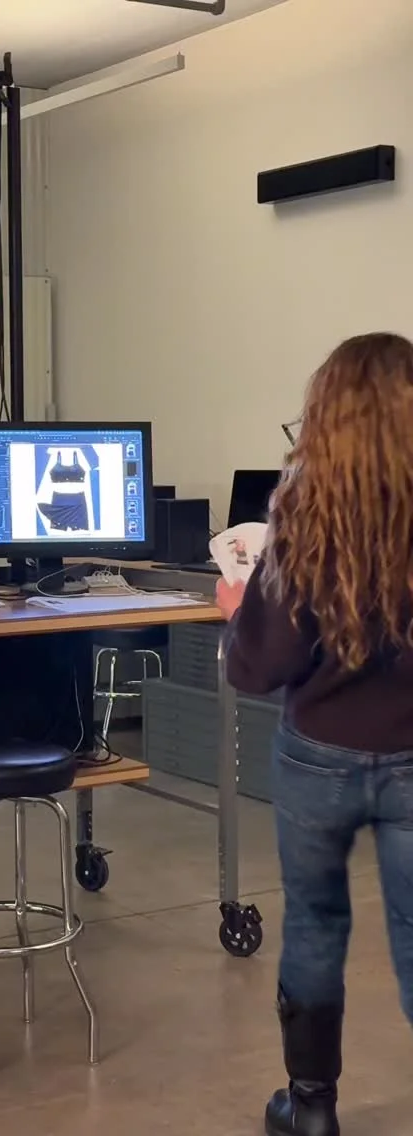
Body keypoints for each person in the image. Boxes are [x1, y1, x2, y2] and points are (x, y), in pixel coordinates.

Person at [216, 332, 413, 1136]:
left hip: (318, 755)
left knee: (315, 923)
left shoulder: (303, 516)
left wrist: (239, 612)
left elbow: (259, 668)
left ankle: (310, 1107)